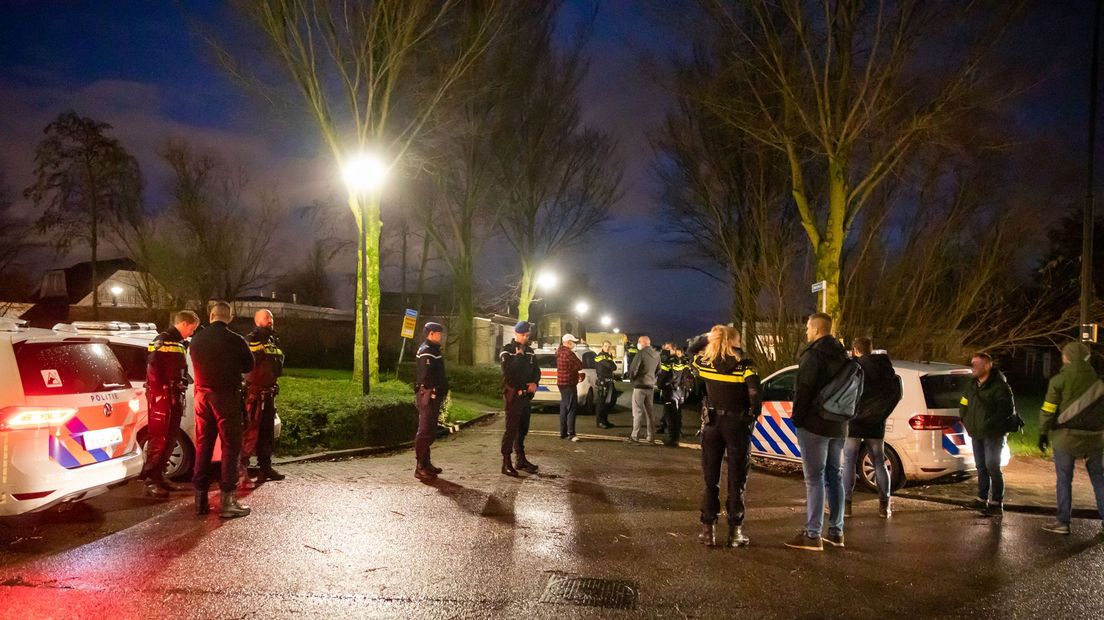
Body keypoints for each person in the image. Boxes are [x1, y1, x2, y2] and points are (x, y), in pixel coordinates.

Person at [692, 325, 761, 547]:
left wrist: (706, 336)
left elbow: (690, 352)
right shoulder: (745, 366)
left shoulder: (705, 363)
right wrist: (750, 416)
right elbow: (755, 395)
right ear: (735, 340)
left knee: (710, 478)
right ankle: (735, 532)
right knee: (737, 478)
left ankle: (708, 531)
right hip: (737, 424)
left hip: (712, 424)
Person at [786, 312, 849, 551]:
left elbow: (804, 389)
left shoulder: (813, 355)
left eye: (807, 328)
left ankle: (812, 535)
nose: (806, 332)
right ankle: (836, 531)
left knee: (814, 479)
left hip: (815, 424)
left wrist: (798, 419)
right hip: (839, 425)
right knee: (835, 476)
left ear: (816, 330)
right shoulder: (843, 355)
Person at [189, 301, 254, 519]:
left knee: (203, 446)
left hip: (201, 397)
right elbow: (249, 366)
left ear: (211, 316)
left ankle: (200, 500)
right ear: (229, 317)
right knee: (230, 446)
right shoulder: (235, 340)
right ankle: (228, 501)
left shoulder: (196, 339)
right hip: (226, 397)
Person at [1038, 341, 1104, 536]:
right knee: (1099, 480)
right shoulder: (1099, 382)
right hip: (1096, 439)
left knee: (1064, 480)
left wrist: (1043, 432)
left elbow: (1048, 410)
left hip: (1066, 438)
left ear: (1067, 357)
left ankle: (1063, 522)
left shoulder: (1059, 380)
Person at [141, 310, 200, 499]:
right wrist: (162, 392)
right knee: (158, 439)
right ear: (184, 323)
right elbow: (153, 370)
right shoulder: (163, 340)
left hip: (174, 397)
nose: (191, 333)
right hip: (162, 399)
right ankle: (151, 480)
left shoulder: (178, 343)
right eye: (192, 329)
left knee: (170, 438)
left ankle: (160, 476)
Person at [841, 337, 901, 518]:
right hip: (876, 423)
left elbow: (844, 393)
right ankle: (885, 505)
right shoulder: (885, 368)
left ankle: (847, 506)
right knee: (879, 462)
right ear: (871, 349)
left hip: (854, 422)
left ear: (855, 350)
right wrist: (882, 414)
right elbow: (895, 393)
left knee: (849, 462)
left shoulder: (853, 369)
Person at [959, 352, 1015, 517]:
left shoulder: (1000, 387)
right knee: (981, 466)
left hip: (993, 435)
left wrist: (989, 424)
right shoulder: (971, 385)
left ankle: (996, 502)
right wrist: (964, 417)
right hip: (976, 433)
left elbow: (1006, 410)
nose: (973, 368)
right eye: (972, 364)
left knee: (992, 466)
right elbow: (963, 402)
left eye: (977, 364)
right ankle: (981, 498)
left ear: (987, 366)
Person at [241, 309, 285, 487]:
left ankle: (265, 466)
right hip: (254, 395)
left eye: (272, 318)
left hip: (269, 393)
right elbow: (248, 364)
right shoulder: (251, 339)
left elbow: (278, 364)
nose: (270, 320)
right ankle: (242, 468)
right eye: (267, 318)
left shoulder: (273, 340)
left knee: (267, 433)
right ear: (257, 320)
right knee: (251, 432)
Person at [500, 321, 541, 476]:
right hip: (514, 395)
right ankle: (506, 462)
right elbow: (507, 374)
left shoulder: (530, 351)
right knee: (511, 429)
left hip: (525, 396)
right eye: (523, 334)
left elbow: (536, 371)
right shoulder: (507, 351)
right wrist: (517, 358)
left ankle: (520, 458)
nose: (525, 337)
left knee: (522, 428)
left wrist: (534, 383)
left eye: (527, 335)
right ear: (516, 333)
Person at [413, 322, 449, 481]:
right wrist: (432, 390)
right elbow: (425, 375)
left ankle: (426, 463)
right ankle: (420, 467)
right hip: (428, 394)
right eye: (439, 333)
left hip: (432, 394)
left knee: (430, 430)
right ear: (432, 333)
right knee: (425, 431)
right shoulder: (427, 351)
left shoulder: (432, 349)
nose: (441, 336)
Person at [627, 335, 660, 444]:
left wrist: (633, 379)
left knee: (637, 412)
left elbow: (633, 369)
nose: (638, 344)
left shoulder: (640, 353)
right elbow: (658, 370)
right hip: (650, 386)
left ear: (642, 342)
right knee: (650, 413)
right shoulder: (656, 354)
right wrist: (652, 379)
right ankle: (651, 436)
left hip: (640, 386)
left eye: (639, 342)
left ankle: (635, 436)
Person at [658, 345, 692, 446]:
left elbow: (663, 375)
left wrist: (661, 385)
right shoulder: (684, 363)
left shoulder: (670, 362)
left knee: (671, 413)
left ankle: (672, 437)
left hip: (672, 390)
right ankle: (675, 434)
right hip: (679, 390)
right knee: (676, 412)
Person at [556, 333, 584, 441]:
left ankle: (563, 432)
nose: (574, 344)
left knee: (563, 407)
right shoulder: (569, 353)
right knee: (571, 408)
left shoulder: (559, 352)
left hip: (561, 383)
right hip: (569, 383)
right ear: (568, 342)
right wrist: (576, 369)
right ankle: (571, 432)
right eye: (573, 342)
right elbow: (580, 364)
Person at [594, 341, 618, 429]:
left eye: (609, 346)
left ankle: (605, 420)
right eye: (605, 346)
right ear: (602, 346)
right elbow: (612, 367)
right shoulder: (600, 356)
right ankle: (600, 422)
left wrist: (610, 361)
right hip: (603, 381)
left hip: (609, 381)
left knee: (611, 401)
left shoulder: (608, 356)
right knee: (601, 402)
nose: (607, 348)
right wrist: (610, 361)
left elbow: (614, 367)